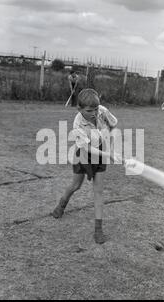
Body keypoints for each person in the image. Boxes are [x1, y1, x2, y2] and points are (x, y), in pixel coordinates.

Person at [51, 88, 118, 244]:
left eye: (96, 109)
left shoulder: (102, 110)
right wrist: (109, 155)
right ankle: (61, 205)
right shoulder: (77, 123)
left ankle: (98, 230)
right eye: (89, 110)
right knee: (76, 185)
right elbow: (86, 148)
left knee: (98, 191)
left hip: (101, 152)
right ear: (79, 109)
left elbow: (114, 126)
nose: (94, 113)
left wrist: (111, 149)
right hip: (84, 153)